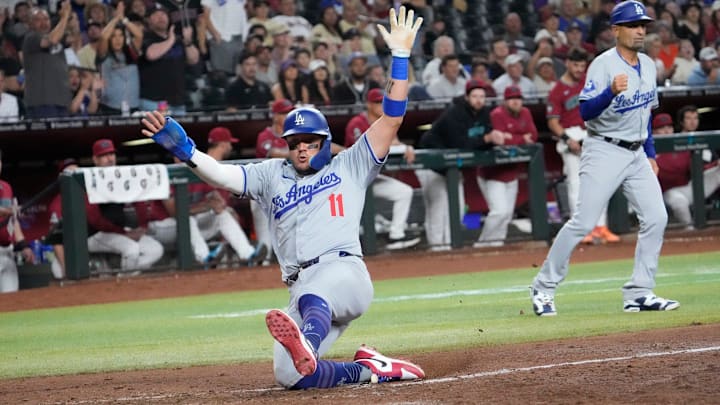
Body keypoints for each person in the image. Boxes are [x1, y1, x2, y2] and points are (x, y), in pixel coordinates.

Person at [141, 6, 425, 389]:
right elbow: (224, 175)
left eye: (310, 142)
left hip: (344, 275)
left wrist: (401, 58)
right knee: (291, 377)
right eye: (295, 143)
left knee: (313, 298)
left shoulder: (351, 164)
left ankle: (306, 340)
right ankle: (371, 370)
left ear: (325, 141)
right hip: (300, 286)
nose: (302, 149)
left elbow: (391, 118)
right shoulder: (272, 173)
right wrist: (189, 153)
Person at [530, 1, 679, 316]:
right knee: (584, 221)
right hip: (604, 149)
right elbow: (585, 112)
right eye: (633, 25)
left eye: (643, 25)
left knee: (657, 217)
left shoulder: (650, 65)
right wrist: (610, 91)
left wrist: (650, 153)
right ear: (616, 30)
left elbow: (647, 114)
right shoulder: (602, 64)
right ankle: (543, 288)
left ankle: (639, 292)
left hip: (636, 152)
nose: (640, 30)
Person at [416, 80, 511, 251]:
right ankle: (437, 248)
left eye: (482, 97)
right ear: (467, 97)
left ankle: (450, 245)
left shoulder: (484, 114)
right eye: (475, 96)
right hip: (431, 164)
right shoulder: (455, 113)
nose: (479, 100)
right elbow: (459, 144)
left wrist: (493, 140)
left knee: (458, 208)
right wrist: (486, 139)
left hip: (452, 168)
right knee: (438, 208)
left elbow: (483, 140)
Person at [546, 47, 619, 244]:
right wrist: (566, 139)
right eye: (576, 65)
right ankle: (580, 230)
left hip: (592, 134)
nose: (579, 69)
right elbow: (553, 121)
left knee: (602, 182)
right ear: (567, 63)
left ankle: (600, 227)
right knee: (577, 186)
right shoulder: (557, 90)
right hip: (571, 136)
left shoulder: (590, 81)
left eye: (582, 65)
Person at [345, 88, 421, 250]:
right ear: (368, 104)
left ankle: (396, 235)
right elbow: (364, 150)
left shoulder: (387, 122)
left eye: (383, 102)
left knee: (404, 192)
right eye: (377, 102)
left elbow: (395, 143)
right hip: (350, 179)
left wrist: (406, 147)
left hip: (372, 178)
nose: (381, 105)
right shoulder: (357, 123)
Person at [187, 127, 267, 266]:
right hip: (186, 226)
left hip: (209, 221)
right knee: (188, 220)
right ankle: (205, 258)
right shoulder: (197, 166)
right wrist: (207, 205)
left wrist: (225, 208)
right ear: (223, 144)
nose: (230, 147)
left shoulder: (224, 168)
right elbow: (181, 210)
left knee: (223, 213)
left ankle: (248, 255)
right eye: (229, 143)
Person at [86, 139, 164, 275]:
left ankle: (122, 275)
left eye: (111, 154)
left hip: (120, 231)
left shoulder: (122, 177)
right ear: (95, 159)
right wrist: (124, 234)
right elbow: (95, 220)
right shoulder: (88, 179)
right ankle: (124, 283)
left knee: (155, 249)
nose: (109, 159)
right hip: (95, 234)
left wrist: (143, 226)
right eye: (104, 156)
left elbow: (139, 203)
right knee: (131, 249)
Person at [475, 85, 538, 248]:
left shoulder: (526, 113)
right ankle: (483, 245)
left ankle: (497, 246)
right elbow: (501, 142)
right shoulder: (497, 114)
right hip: (492, 172)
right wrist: (522, 138)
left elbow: (534, 136)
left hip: (512, 172)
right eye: (512, 99)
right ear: (505, 101)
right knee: (499, 212)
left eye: (518, 98)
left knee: (507, 214)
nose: (516, 102)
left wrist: (513, 138)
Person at [654, 108, 720, 229]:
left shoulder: (682, 145)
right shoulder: (650, 152)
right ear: (654, 132)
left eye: (669, 127)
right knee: (679, 202)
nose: (666, 131)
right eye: (662, 128)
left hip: (688, 187)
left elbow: (697, 169)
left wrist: (715, 164)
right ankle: (690, 231)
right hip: (667, 192)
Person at [22, 2, 72, 119]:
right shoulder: (31, 37)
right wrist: (65, 16)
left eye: (46, 19)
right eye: (37, 20)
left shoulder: (58, 41)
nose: (43, 23)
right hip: (42, 103)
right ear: (30, 24)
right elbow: (51, 40)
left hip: (61, 102)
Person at [0, 149, 35, 293]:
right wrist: (9, 210)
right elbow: (8, 211)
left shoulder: (6, 187)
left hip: (6, 251)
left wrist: (23, 245)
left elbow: (12, 220)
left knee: (11, 298)